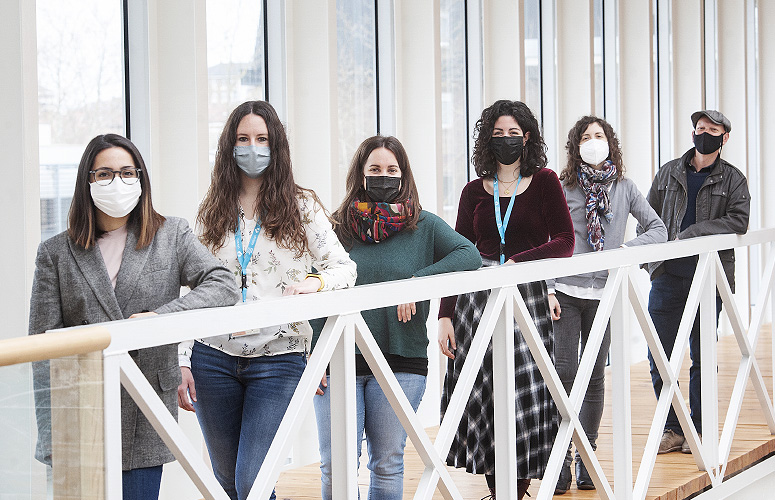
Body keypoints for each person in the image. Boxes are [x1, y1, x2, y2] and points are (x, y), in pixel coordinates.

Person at [29, 134, 239, 500]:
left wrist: (160, 317)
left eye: (128, 172)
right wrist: (51, 435)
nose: (118, 182)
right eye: (105, 174)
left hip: (144, 407)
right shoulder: (56, 253)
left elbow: (223, 284)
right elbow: (42, 350)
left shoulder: (170, 233)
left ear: (140, 179)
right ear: (87, 182)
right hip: (82, 412)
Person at [176, 100, 357, 500]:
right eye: (243, 139)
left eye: (261, 139)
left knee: (252, 482)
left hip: (278, 358)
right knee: (226, 483)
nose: (252, 147)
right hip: (213, 357)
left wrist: (314, 282)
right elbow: (195, 290)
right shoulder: (213, 210)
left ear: (276, 147)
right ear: (229, 146)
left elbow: (345, 268)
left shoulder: (301, 205)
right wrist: (183, 358)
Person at [312, 135, 481, 500]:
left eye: (392, 169)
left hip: (401, 359)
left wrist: (416, 284)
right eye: (374, 169)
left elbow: (468, 255)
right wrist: (313, 354)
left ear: (404, 175)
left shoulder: (423, 225)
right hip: (339, 358)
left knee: (387, 462)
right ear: (360, 174)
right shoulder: (334, 227)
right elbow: (314, 284)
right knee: (335, 463)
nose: (383, 176)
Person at [437, 99, 575, 500]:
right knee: (484, 397)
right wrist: (445, 315)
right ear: (487, 139)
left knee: (524, 395)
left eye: (514, 133)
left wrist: (517, 262)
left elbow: (565, 242)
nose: (506, 140)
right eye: (498, 134)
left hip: (525, 297)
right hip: (476, 300)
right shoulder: (471, 192)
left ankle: (519, 492)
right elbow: (458, 255)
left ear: (527, 137)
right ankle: (499, 494)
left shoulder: (545, 181)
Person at [550, 116, 667, 494]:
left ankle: (587, 458)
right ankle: (561, 460)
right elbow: (550, 240)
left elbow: (658, 230)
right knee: (564, 373)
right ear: (576, 145)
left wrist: (621, 253)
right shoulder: (563, 188)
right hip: (566, 292)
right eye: (585, 137)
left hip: (605, 294)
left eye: (599, 135)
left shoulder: (625, 188)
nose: (593, 141)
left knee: (596, 375)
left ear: (610, 142)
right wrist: (549, 287)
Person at [642, 110, 750, 455]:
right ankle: (673, 428)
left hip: (708, 277)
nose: (704, 134)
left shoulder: (734, 179)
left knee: (702, 355)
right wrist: (649, 263)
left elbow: (739, 220)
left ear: (724, 137)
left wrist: (693, 233)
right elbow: (648, 218)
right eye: (700, 128)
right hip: (668, 277)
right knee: (659, 354)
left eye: (712, 130)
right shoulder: (668, 173)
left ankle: (699, 430)